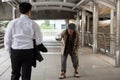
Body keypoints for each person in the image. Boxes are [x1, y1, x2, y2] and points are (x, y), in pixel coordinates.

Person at [4, 2, 43, 80]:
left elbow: (7, 39)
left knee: (15, 74)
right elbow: (39, 40)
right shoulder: (33, 24)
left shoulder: (12, 23)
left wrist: (9, 51)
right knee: (26, 75)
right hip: (28, 52)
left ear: (20, 11)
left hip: (15, 51)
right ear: (29, 11)